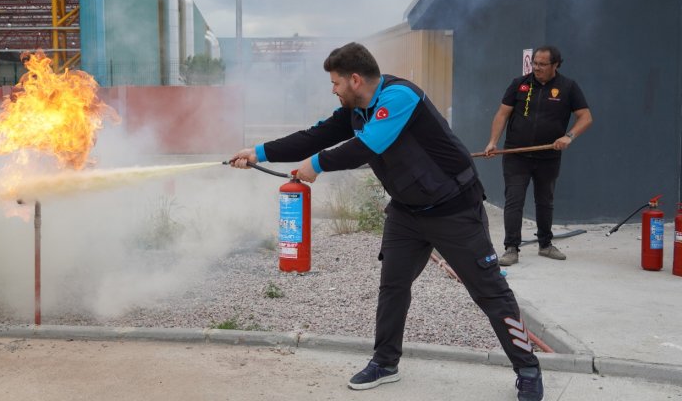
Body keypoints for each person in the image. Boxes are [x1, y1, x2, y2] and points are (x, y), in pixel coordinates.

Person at [230, 42, 544, 401]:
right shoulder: (354, 110)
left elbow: (367, 147)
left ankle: (528, 369)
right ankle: (385, 362)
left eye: (335, 83)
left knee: (490, 291)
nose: (333, 90)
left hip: (454, 209)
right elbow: (314, 136)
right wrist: (258, 152)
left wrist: (315, 165)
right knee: (393, 286)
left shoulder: (399, 97)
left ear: (354, 79)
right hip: (406, 212)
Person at [484, 45, 593, 266]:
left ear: (556, 65)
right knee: (514, 200)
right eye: (535, 63)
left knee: (545, 201)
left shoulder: (568, 87)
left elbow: (586, 117)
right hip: (516, 155)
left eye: (542, 64)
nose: (537, 68)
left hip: (548, 156)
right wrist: (493, 142)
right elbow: (502, 113)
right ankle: (511, 248)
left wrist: (569, 137)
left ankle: (545, 244)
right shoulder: (519, 84)